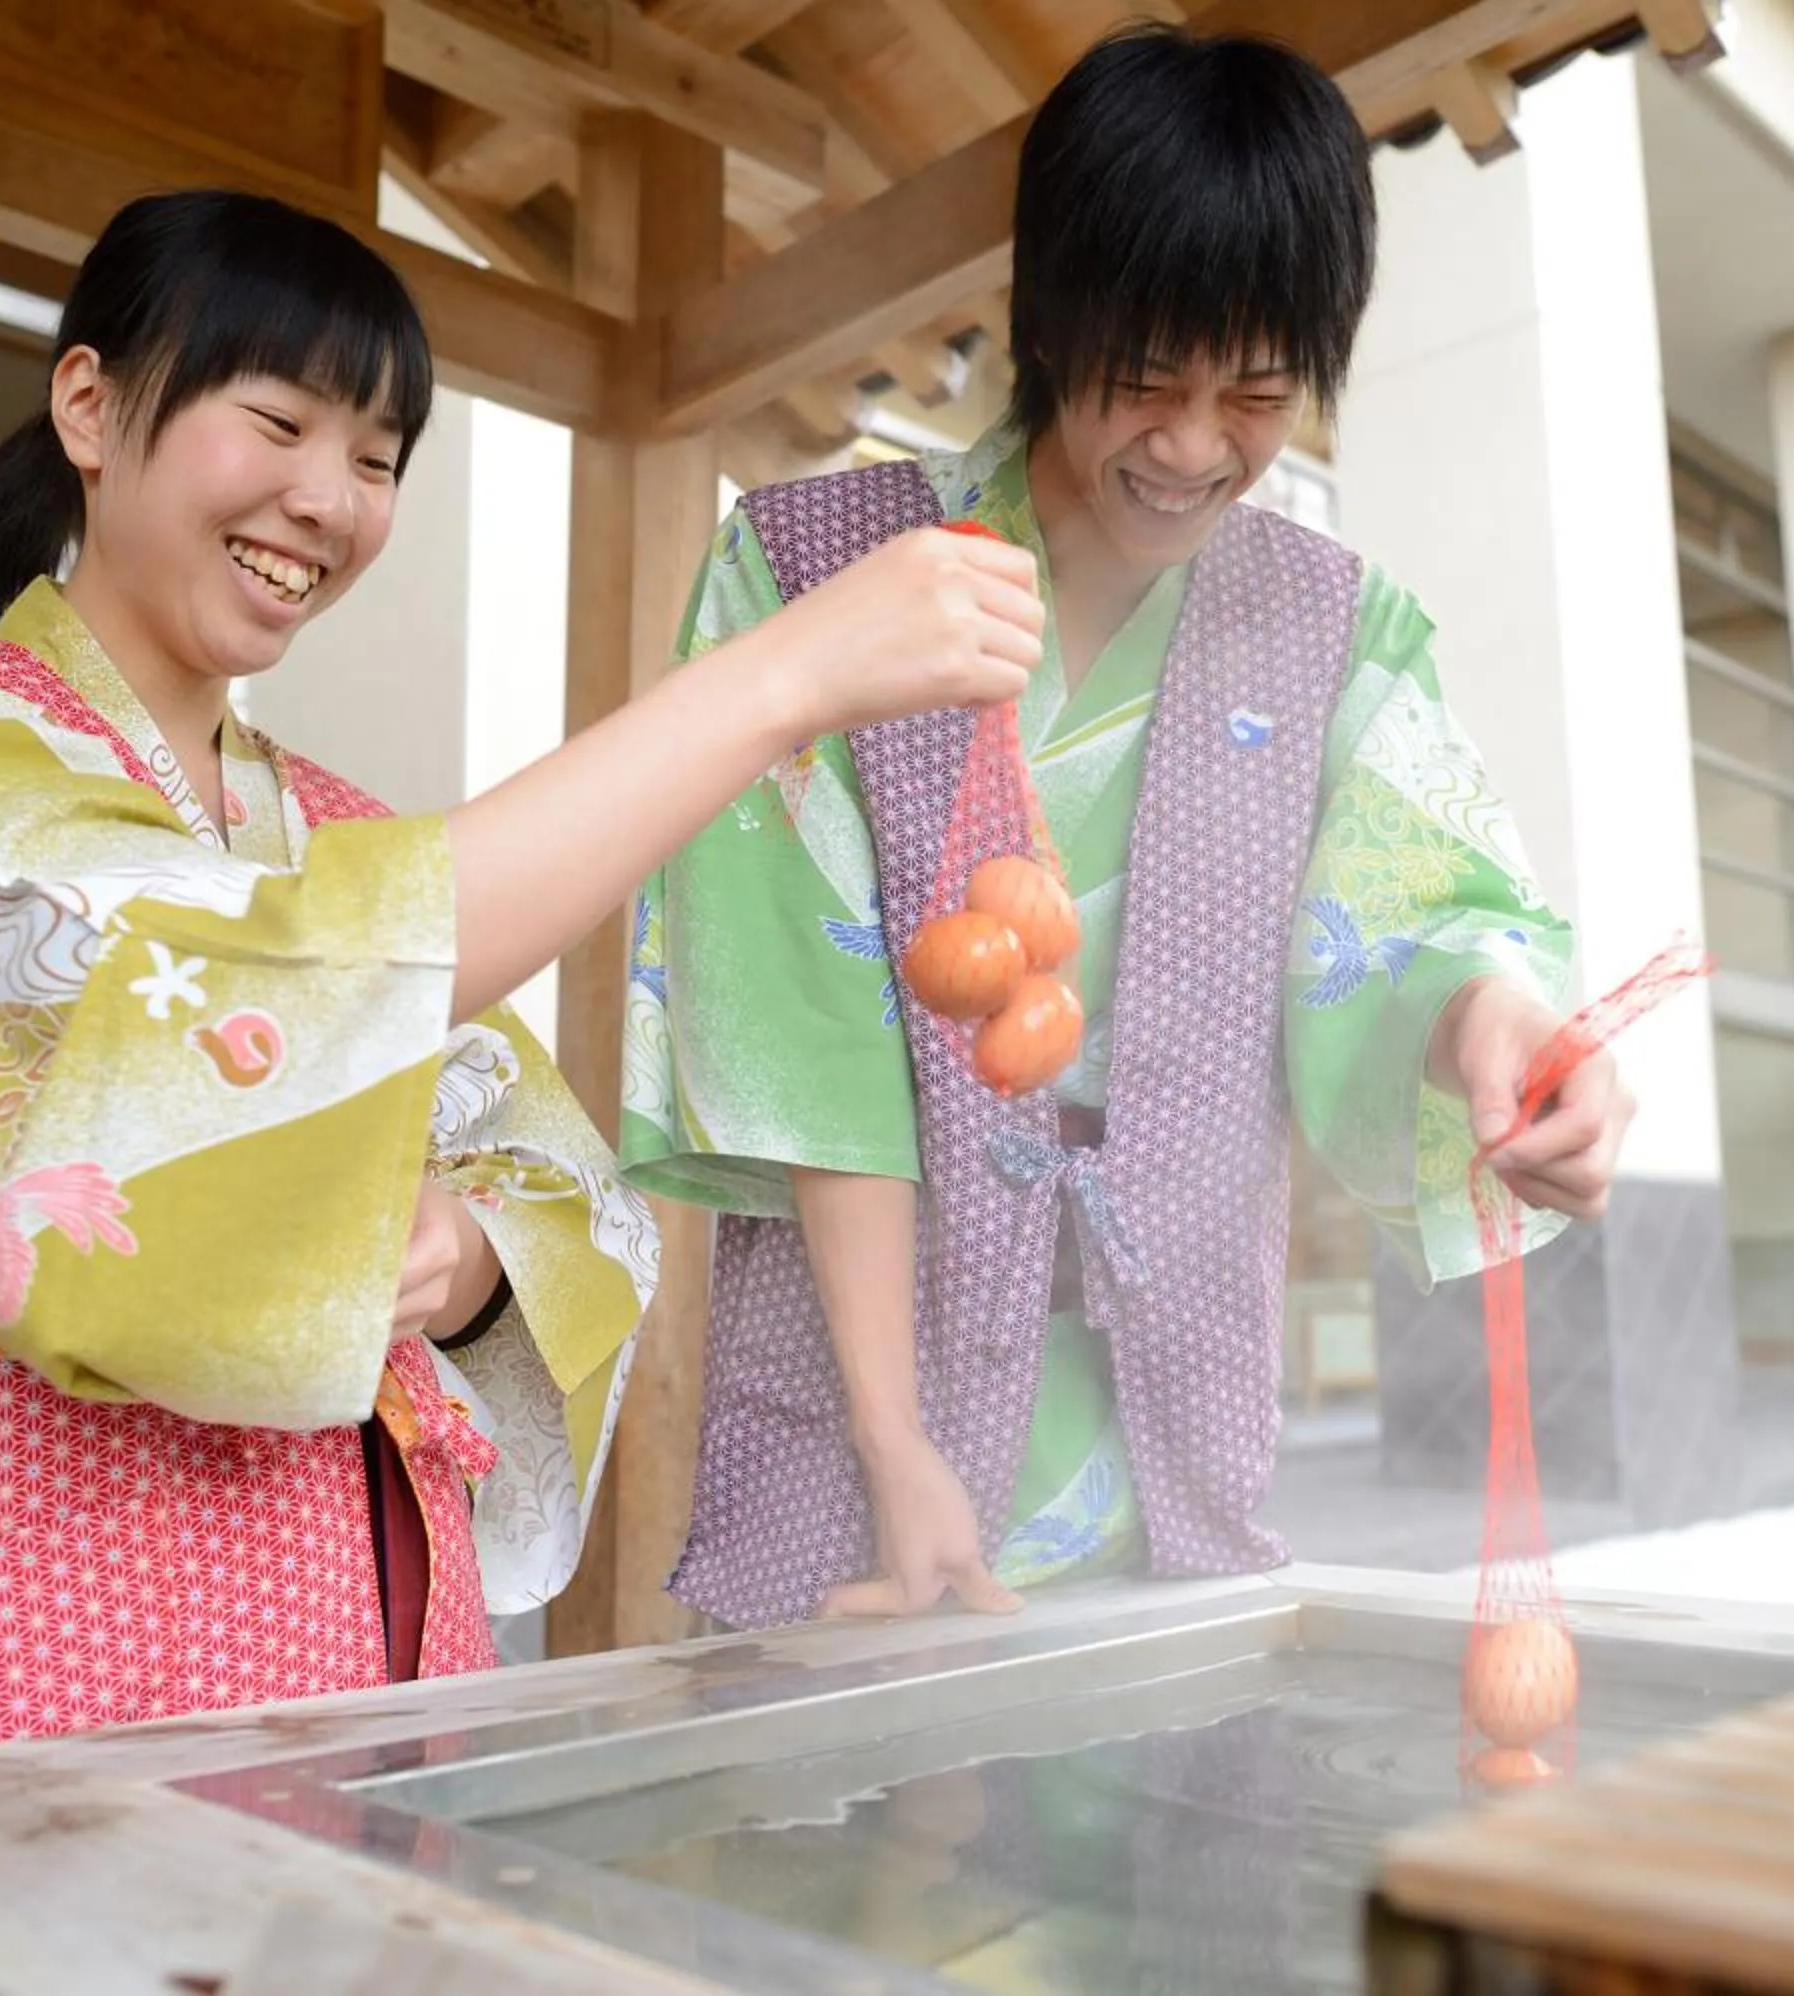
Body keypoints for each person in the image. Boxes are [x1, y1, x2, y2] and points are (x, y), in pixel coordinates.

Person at [0, 188, 1041, 1774]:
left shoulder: (343, 833)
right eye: (278, 422)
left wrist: (475, 1256)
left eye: (375, 460)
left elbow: (564, 1184)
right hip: (24, 1665)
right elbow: (228, 998)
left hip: (361, 1641)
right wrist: (779, 680)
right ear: (89, 406)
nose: (329, 501)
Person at [618, 25, 1632, 1631]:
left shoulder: (1333, 629)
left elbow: (1425, 914)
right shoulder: (809, 576)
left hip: (1167, 1413)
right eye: (1144, 377)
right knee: (840, 1840)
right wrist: (896, 1437)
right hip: (866, 1396)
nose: (1190, 446)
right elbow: (803, 1034)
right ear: (1047, 322)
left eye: (1258, 394)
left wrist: (1502, 1027)